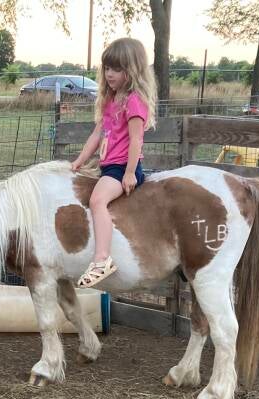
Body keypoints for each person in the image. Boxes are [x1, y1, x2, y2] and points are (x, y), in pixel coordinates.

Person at [70, 37, 157, 288]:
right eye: (107, 68)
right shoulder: (111, 100)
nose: (110, 74)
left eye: (117, 69)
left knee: (97, 200)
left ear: (132, 71)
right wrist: (79, 161)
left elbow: (136, 139)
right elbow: (97, 135)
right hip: (109, 167)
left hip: (122, 168)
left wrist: (130, 173)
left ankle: (102, 259)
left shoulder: (133, 101)